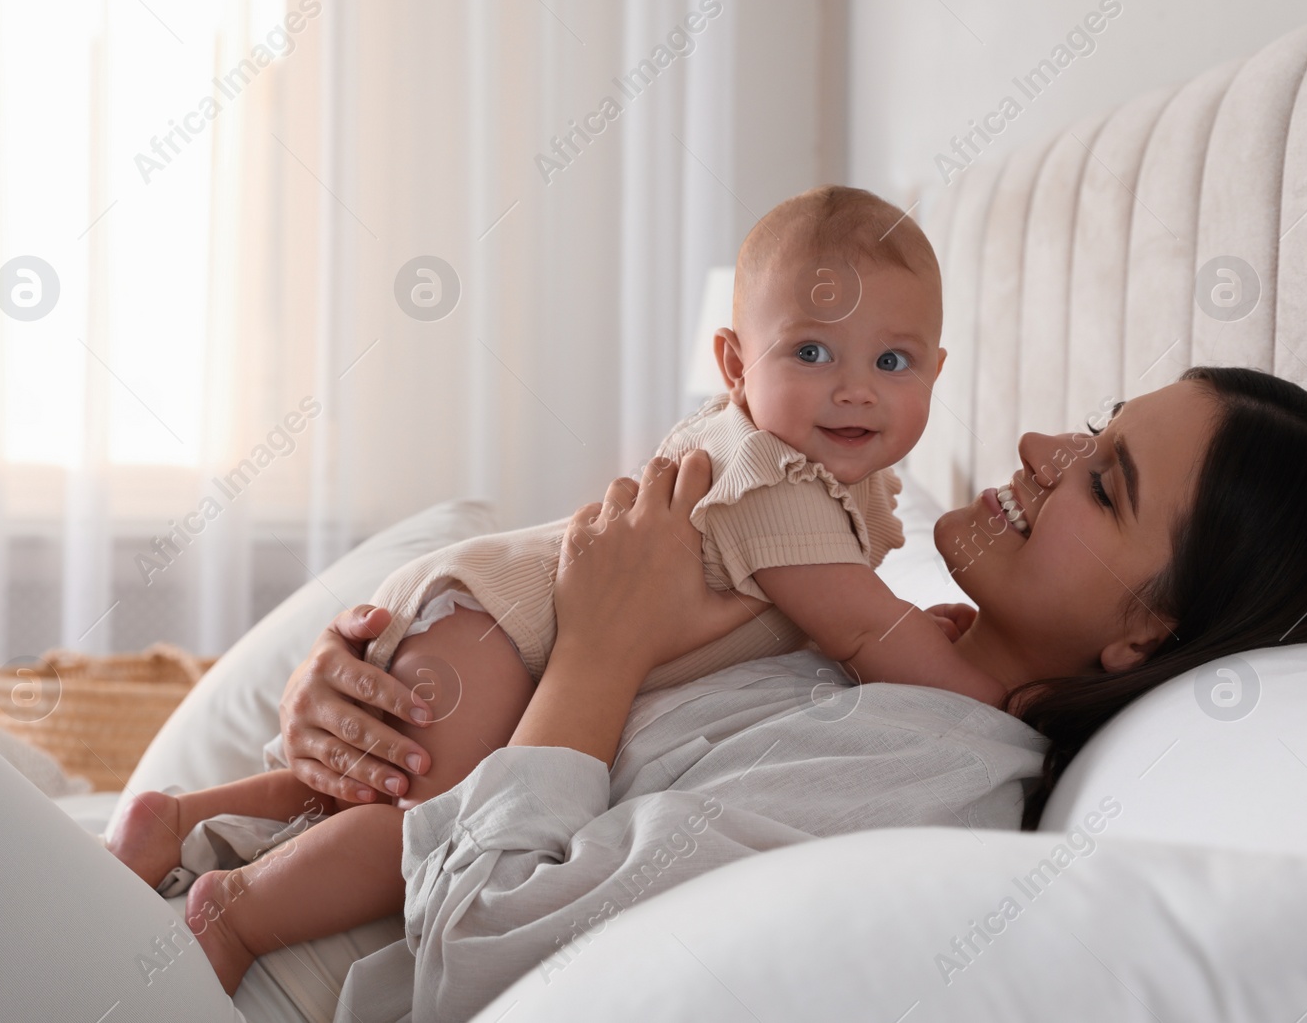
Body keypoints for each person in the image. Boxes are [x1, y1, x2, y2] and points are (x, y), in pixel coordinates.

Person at [274, 366, 1307, 1020]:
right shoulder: (865, 628)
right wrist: (355, 702)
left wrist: (599, 649)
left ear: (1145, 634)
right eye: (1094, 421)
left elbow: (482, 946)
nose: (1035, 444)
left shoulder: (924, 772)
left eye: (1101, 480)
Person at [109, 184, 1012, 992]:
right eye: (812, 352)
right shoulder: (779, 480)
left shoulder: (845, 482)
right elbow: (865, 634)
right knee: (433, 830)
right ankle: (238, 910)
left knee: (378, 794)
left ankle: (183, 815)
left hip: (481, 608)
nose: (853, 391)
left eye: (891, 363)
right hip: (503, 627)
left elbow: (844, 619)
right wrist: (996, 693)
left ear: (936, 369)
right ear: (736, 366)